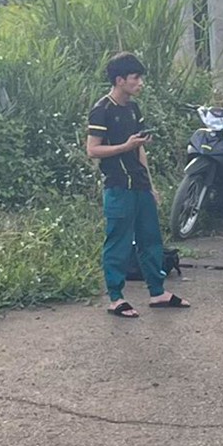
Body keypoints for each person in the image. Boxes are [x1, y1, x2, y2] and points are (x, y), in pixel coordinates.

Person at [85, 52, 185, 314]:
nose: (140, 83)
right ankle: (116, 297)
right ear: (119, 80)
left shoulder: (133, 108)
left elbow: (139, 149)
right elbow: (93, 150)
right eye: (135, 78)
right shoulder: (102, 109)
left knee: (151, 240)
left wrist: (151, 185)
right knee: (118, 242)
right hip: (118, 186)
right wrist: (124, 146)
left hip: (139, 185)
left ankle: (157, 292)